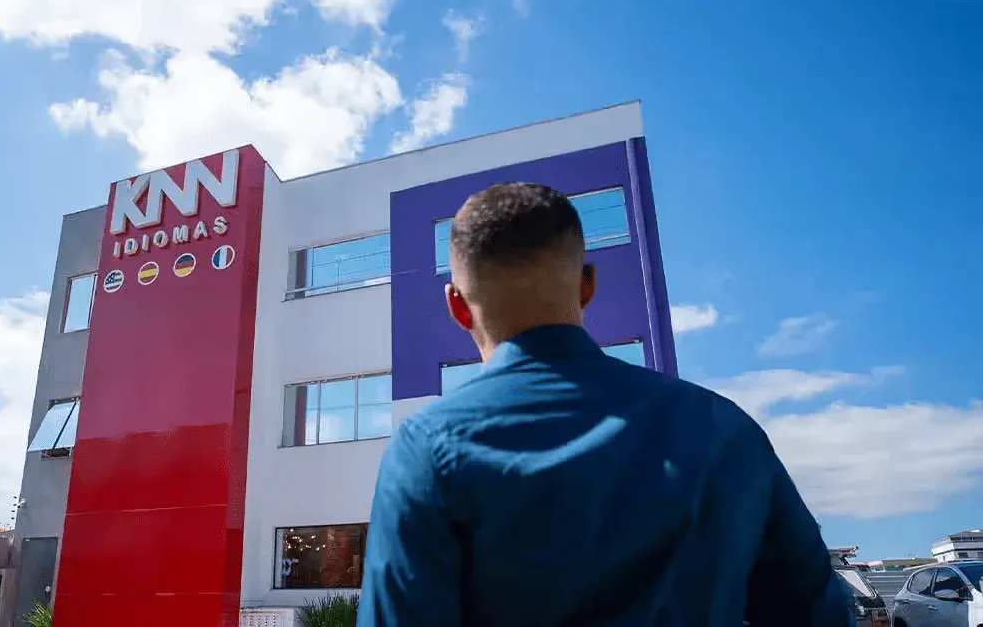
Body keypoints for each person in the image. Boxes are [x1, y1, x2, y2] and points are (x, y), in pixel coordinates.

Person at [357, 182, 853, 626]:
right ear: (587, 285)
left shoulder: (426, 447)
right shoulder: (724, 428)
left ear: (458, 307)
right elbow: (817, 612)